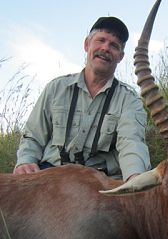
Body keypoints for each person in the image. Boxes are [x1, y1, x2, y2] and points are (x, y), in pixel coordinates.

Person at [13, 16, 151, 181]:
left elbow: (132, 142)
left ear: (120, 56)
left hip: (98, 182)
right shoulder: (56, 88)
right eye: (101, 40)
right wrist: (25, 162)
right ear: (87, 44)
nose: (106, 48)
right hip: (50, 175)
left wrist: (135, 177)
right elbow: (33, 135)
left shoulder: (129, 100)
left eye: (114, 45)